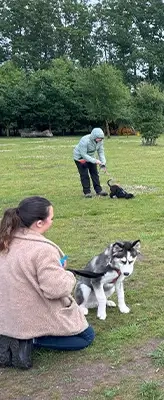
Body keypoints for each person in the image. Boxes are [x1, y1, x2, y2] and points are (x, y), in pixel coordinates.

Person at [0, 197, 94, 370]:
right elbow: (55, 289)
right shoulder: (43, 249)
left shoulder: (6, 239)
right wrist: (67, 274)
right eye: (51, 218)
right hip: (26, 312)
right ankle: (30, 339)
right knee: (86, 336)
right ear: (39, 223)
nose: (52, 221)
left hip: (6, 309)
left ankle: (10, 333)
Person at [73, 128, 108, 198]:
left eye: (101, 138)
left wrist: (103, 163)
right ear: (94, 136)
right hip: (80, 158)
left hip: (91, 157)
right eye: (98, 138)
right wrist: (95, 161)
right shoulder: (84, 140)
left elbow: (101, 152)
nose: (100, 140)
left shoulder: (100, 141)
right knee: (84, 174)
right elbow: (83, 154)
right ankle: (87, 192)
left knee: (94, 173)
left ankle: (99, 190)